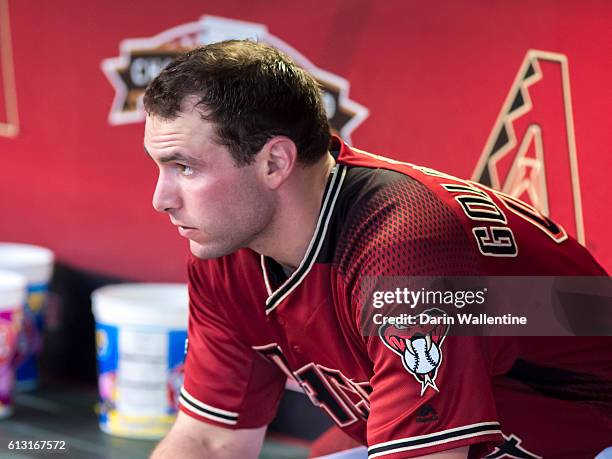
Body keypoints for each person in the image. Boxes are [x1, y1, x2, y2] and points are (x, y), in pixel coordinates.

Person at [142, 40, 611, 459]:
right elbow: (210, 441)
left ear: (275, 162)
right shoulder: (223, 248)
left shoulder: (404, 246)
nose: (161, 199)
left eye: (183, 167)